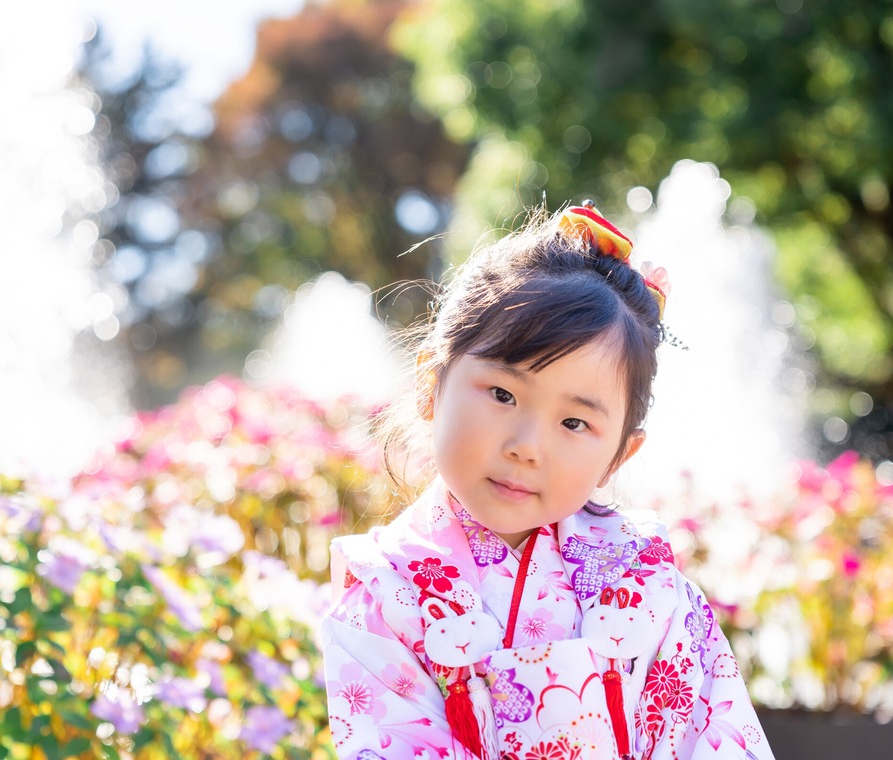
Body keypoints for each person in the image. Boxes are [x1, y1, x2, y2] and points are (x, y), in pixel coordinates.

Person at [321, 201, 774, 760]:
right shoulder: (383, 595)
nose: (527, 446)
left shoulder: (651, 588)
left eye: (575, 422)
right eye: (504, 395)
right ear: (430, 385)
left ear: (620, 455)